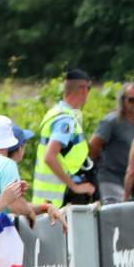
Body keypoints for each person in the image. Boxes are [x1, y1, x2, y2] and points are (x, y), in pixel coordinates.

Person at [0, 114, 62, 223]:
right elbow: (15, 205)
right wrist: (29, 212)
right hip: (0, 231)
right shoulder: (7, 164)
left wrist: (44, 207)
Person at [32, 68, 96, 207]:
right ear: (83, 89)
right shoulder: (65, 120)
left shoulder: (55, 112)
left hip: (45, 199)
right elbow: (49, 156)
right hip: (56, 201)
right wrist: (75, 186)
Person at [91, 83, 134, 204]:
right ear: (123, 101)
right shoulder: (112, 121)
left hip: (126, 182)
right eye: (131, 100)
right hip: (109, 180)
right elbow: (93, 147)